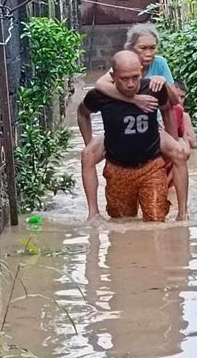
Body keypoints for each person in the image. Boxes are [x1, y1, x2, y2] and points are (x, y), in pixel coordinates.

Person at [80, 23, 189, 221]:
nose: (149, 53)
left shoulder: (159, 67)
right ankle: (92, 213)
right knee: (88, 155)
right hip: (117, 130)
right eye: (143, 48)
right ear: (130, 49)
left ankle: (182, 212)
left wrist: (173, 137)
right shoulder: (112, 78)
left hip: (153, 127)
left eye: (152, 48)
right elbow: (96, 90)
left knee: (180, 152)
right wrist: (134, 99)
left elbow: (172, 105)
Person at [173, 79, 197, 150]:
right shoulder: (159, 114)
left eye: (182, 97)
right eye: (176, 96)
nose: (179, 100)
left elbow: (193, 143)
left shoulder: (184, 116)